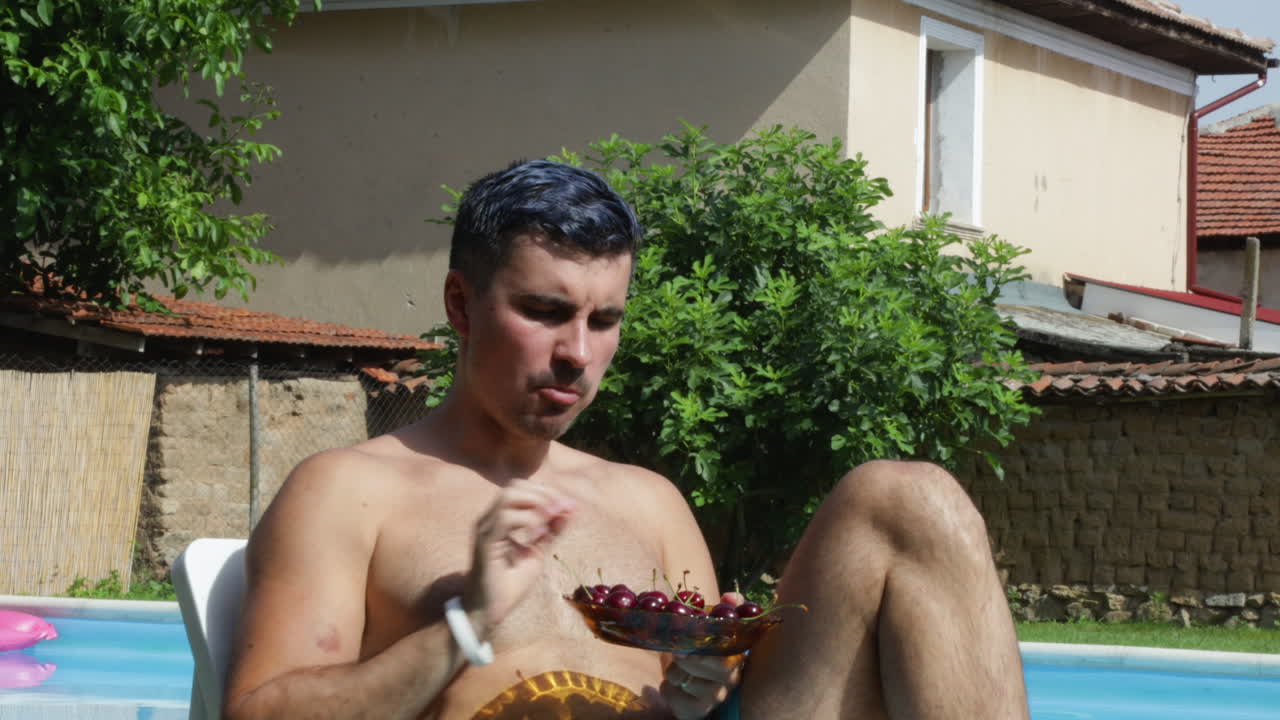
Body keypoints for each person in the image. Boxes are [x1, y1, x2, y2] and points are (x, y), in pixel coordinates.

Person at [223, 160, 1030, 720]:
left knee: (910, 500)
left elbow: (718, 696)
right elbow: (263, 712)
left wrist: (705, 686)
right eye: (545, 312)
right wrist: (463, 627)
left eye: (603, 319)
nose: (577, 351)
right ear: (462, 307)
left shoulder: (647, 502)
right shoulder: (349, 492)